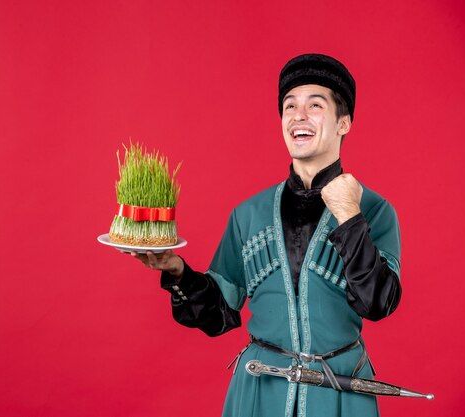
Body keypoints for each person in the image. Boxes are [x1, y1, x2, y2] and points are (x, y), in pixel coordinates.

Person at [130, 53, 402, 417]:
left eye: (314, 105)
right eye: (289, 106)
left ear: (344, 123)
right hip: (260, 391)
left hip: (340, 392)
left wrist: (350, 217)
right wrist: (176, 269)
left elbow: (379, 304)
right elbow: (220, 314)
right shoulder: (249, 214)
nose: (298, 115)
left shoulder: (374, 210)